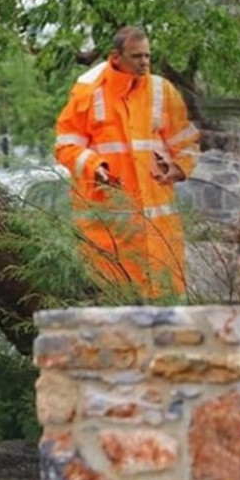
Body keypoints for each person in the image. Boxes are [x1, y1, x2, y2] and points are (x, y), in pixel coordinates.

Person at [54, 26, 200, 297]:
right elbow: (66, 145)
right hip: (108, 230)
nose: (144, 62)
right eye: (136, 56)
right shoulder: (88, 90)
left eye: (147, 56)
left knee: (164, 300)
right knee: (116, 301)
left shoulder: (162, 91)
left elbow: (186, 141)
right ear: (116, 57)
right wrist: (96, 168)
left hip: (158, 233)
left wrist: (177, 167)